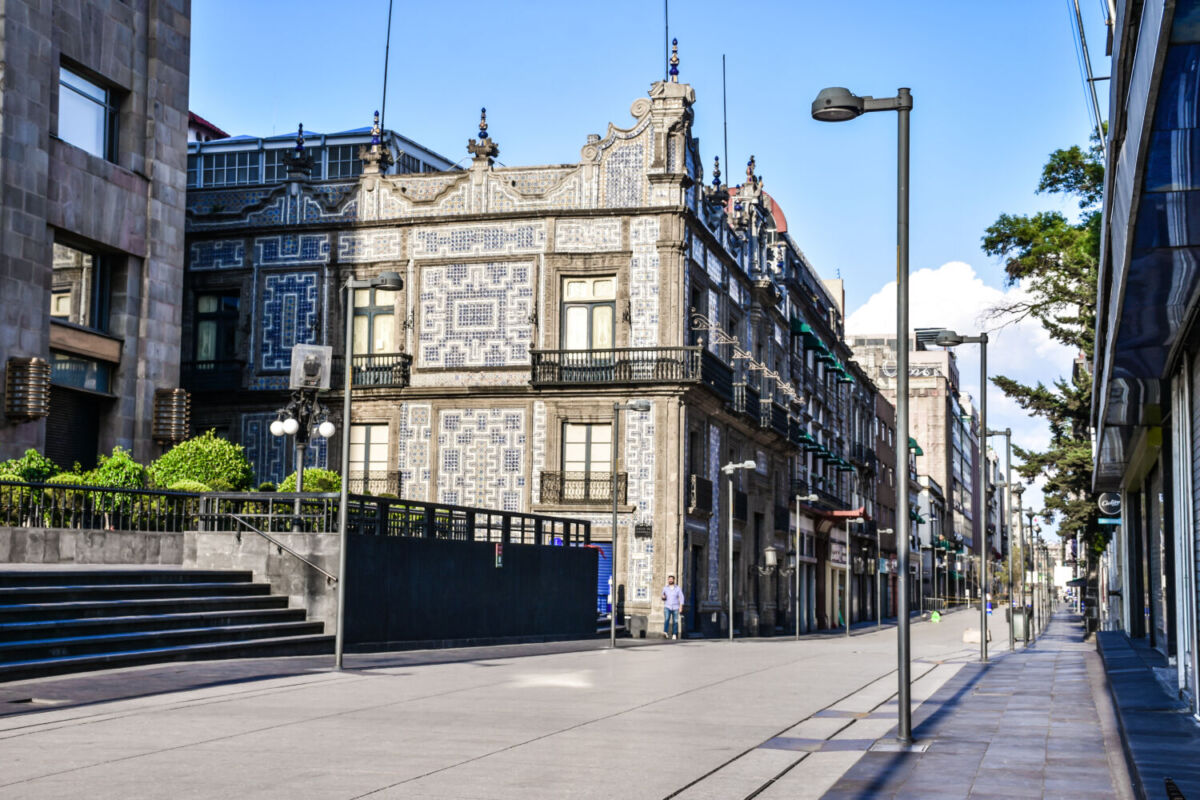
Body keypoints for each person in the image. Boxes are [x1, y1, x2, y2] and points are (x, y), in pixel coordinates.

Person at [662, 575, 684, 639]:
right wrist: (663, 597)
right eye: (669, 579)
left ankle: (674, 634)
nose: (670, 580)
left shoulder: (678, 588)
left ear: (674, 580)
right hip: (667, 606)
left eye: (671, 579)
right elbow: (663, 596)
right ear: (668, 580)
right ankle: (665, 632)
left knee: (675, 621)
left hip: (675, 607)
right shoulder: (665, 588)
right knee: (666, 619)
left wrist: (681, 607)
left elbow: (681, 597)